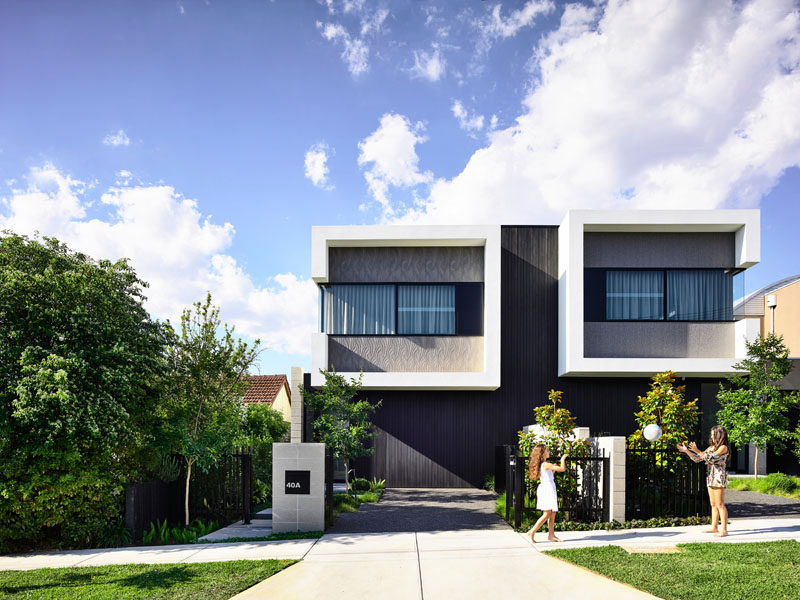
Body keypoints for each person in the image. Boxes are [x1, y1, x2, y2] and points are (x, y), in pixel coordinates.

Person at [677, 425, 730, 537]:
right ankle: (714, 527)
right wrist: (687, 451)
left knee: (720, 504)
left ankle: (724, 530)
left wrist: (697, 450)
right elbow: (698, 458)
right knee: (713, 504)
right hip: (710, 476)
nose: (711, 436)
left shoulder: (723, 448)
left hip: (718, 477)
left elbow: (710, 459)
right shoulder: (711, 448)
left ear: (719, 435)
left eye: (713, 434)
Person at [526, 443, 569, 543]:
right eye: (547, 450)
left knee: (552, 512)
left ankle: (551, 535)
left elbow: (548, 476)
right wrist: (562, 459)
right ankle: (532, 531)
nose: (549, 452)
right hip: (547, 489)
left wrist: (552, 470)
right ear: (542, 453)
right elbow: (562, 469)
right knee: (547, 513)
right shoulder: (546, 464)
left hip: (547, 487)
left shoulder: (544, 465)